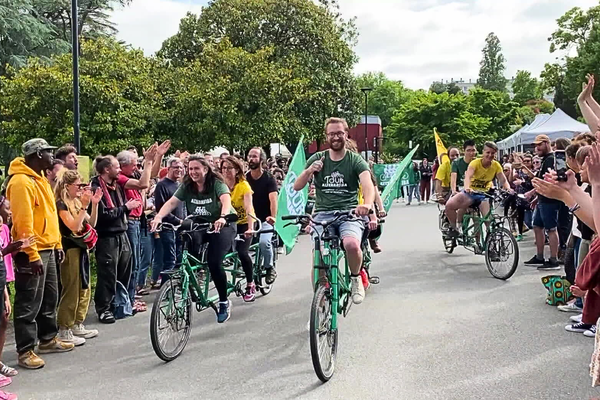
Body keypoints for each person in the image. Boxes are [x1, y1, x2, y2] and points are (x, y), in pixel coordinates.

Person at [6, 138, 75, 369]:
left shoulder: (41, 179)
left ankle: (47, 339)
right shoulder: (21, 182)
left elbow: (48, 215)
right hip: (32, 251)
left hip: (48, 246)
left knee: (50, 297)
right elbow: (23, 222)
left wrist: (56, 245)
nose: (52, 156)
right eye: (47, 152)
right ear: (36, 155)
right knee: (29, 301)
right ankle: (25, 350)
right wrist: (32, 254)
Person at [293, 117, 375, 305]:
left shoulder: (355, 160)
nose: (336, 137)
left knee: (352, 245)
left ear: (346, 135)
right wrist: (309, 171)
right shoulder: (318, 158)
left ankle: (356, 278)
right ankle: (320, 307)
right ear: (327, 136)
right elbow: (297, 186)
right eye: (332, 134)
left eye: (339, 133)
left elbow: (367, 184)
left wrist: (367, 205)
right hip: (323, 215)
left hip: (349, 214)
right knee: (319, 258)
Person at [151, 155, 237, 323]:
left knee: (214, 262)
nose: (193, 172)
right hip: (200, 223)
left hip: (223, 223)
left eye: (196, 168)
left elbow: (226, 199)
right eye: (190, 169)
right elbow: (171, 202)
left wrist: (223, 216)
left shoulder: (216, 183)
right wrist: (159, 217)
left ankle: (223, 302)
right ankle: (189, 281)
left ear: (205, 169)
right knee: (186, 241)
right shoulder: (187, 185)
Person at [90, 156, 140, 324]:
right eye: (117, 167)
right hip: (107, 236)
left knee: (124, 271)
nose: (119, 171)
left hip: (122, 233)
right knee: (108, 274)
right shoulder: (96, 187)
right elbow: (103, 216)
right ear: (106, 170)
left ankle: (120, 303)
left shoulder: (117, 185)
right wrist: (126, 208)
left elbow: (142, 184)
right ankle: (104, 309)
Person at [55, 170, 102, 346]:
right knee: (71, 288)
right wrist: (83, 206)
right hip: (70, 250)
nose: (81, 189)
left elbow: (91, 223)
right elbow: (74, 227)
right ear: (67, 186)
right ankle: (64, 328)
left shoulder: (76, 201)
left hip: (82, 248)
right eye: (78, 185)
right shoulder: (61, 204)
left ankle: (77, 322)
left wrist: (93, 205)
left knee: (84, 286)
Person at [116, 146, 157, 311]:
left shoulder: (130, 174)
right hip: (130, 222)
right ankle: (128, 300)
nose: (136, 167)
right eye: (134, 164)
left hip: (138, 221)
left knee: (137, 262)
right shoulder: (120, 178)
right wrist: (147, 161)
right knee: (131, 263)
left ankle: (131, 298)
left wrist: (157, 156)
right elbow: (144, 183)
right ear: (123, 165)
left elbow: (152, 174)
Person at [444, 142, 511, 241]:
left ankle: (492, 246)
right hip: (471, 193)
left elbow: (503, 180)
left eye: (493, 153)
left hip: (484, 195)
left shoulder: (496, 165)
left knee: (488, 221)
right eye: (488, 152)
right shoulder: (474, 163)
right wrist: (467, 188)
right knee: (449, 205)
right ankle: (454, 229)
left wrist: (508, 189)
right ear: (483, 152)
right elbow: (468, 177)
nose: (490, 155)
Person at [524, 134, 563, 270]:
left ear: (547, 143)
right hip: (542, 199)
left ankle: (553, 260)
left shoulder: (551, 159)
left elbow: (545, 182)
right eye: (535, 145)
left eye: (539, 145)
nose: (537, 148)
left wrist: (532, 192)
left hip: (550, 200)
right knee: (537, 226)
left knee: (551, 229)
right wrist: (536, 197)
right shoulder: (546, 159)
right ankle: (539, 256)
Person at [221, 156, 257, 302]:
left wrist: (250, 227)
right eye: (224, 168)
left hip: (243, 222)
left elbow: (249, 208)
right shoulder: (221, 185)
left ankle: (250, 283)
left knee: (242, 252)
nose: (226, 171)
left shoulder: (243, 186)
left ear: (237, 170)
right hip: (229, 223)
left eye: (230, 168)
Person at [246, 148, 279, 284]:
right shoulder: (245, 178)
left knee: (264, 242)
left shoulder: (269, 179)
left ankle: (269, 267)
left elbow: (273, 200)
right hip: (250, 218)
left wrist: (272, 217)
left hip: (265, 218)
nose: (251, 159)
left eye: (254, 156)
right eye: (249, 156)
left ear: (261, 160)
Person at [153, 158, 185, 286]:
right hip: (168, 227)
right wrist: (178, 220)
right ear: (168, 169)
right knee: (170, 260)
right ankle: (166, 287)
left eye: (181, 167)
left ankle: (178, 286)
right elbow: (161, 208)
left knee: (179, 259)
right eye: (176, 167)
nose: (179, 170)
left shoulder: (181, 185)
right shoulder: (162, 185)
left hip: (181, 228)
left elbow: (184, 206)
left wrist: (186, 221)